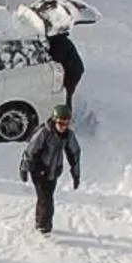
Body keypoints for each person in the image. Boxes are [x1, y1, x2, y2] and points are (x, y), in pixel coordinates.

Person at [18, 104, 81, 236]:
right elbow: (31, 150)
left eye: (66, 123)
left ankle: (40, 221)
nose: (63, 127)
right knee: (46, 199)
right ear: (54, 120)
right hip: (39, 170)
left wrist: (76, 174)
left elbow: (74, 153)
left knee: (46, 197)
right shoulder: (44, 133)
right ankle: (44, 227)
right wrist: (24, 168)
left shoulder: (68, 135)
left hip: (53, 172)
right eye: (60, 123)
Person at [46, 28, 84, 105]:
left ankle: (66, 114)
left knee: (65, 95)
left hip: (72, 72)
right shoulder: (60, 40)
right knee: (65, 95)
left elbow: (55, 57)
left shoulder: (61, 43)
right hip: (71, 69)